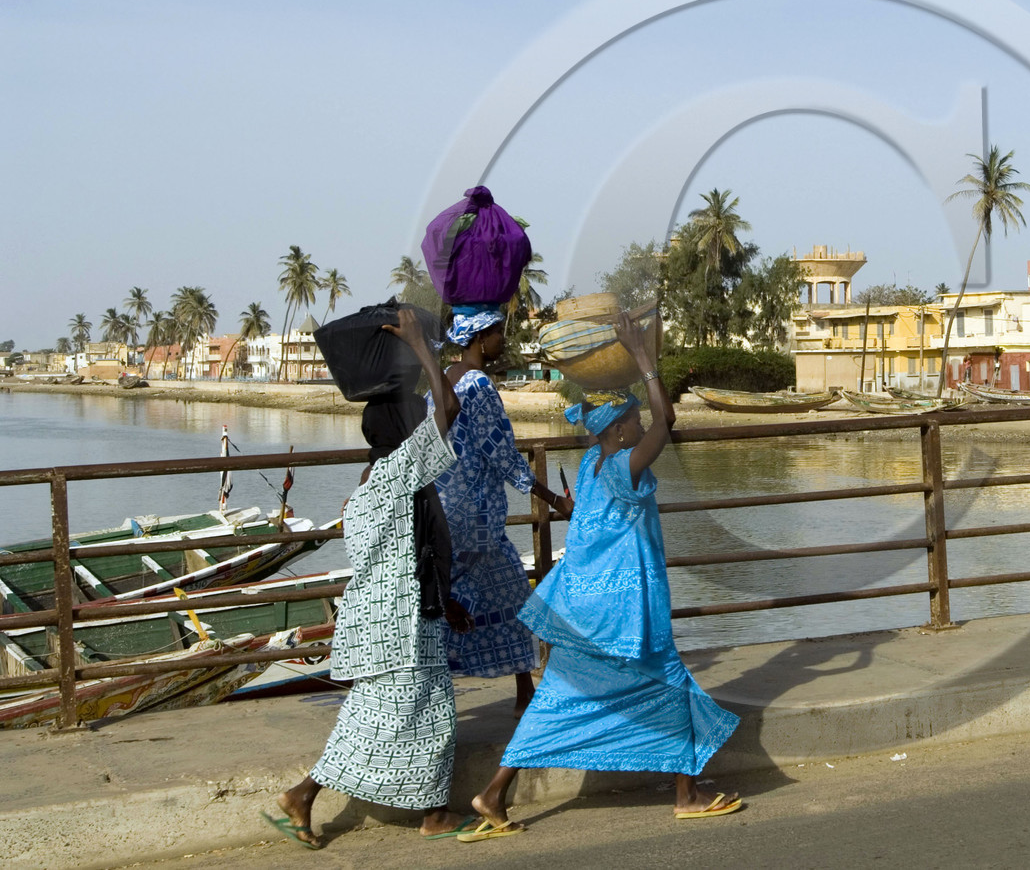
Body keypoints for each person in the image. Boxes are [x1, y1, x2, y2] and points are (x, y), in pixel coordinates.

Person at [463, 313, 741, 841]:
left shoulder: (592, 466)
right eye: (632, 421)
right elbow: (667, 421)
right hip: (622, 611)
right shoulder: (621, 467)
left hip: (580, 608)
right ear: (617, 430)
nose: (639, 426)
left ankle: (493, 794)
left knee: (558, 696)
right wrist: (642, 357)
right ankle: (686, 796)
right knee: (670, 683)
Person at [265, 308, 477, 849]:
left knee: (424, 715)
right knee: (391, 719)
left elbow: (407, 550)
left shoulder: (369, 482)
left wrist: (445, 598)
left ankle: (431, 812)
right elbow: (450, 408)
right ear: (405, 432)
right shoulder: (399, 472)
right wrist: (422, 347)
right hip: (400, 627)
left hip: (390, 620)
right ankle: (304, 795)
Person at [432, 305, 572, 711]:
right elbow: (502, 453)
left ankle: (524, 690)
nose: (502, 339)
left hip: (445, 509)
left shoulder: (446, 377)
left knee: (498, 592)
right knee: (498, 596)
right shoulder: (478, 385)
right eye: (497, 332)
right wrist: (554, 500)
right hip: (475, 518)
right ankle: (515, 690)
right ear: (480, 338)